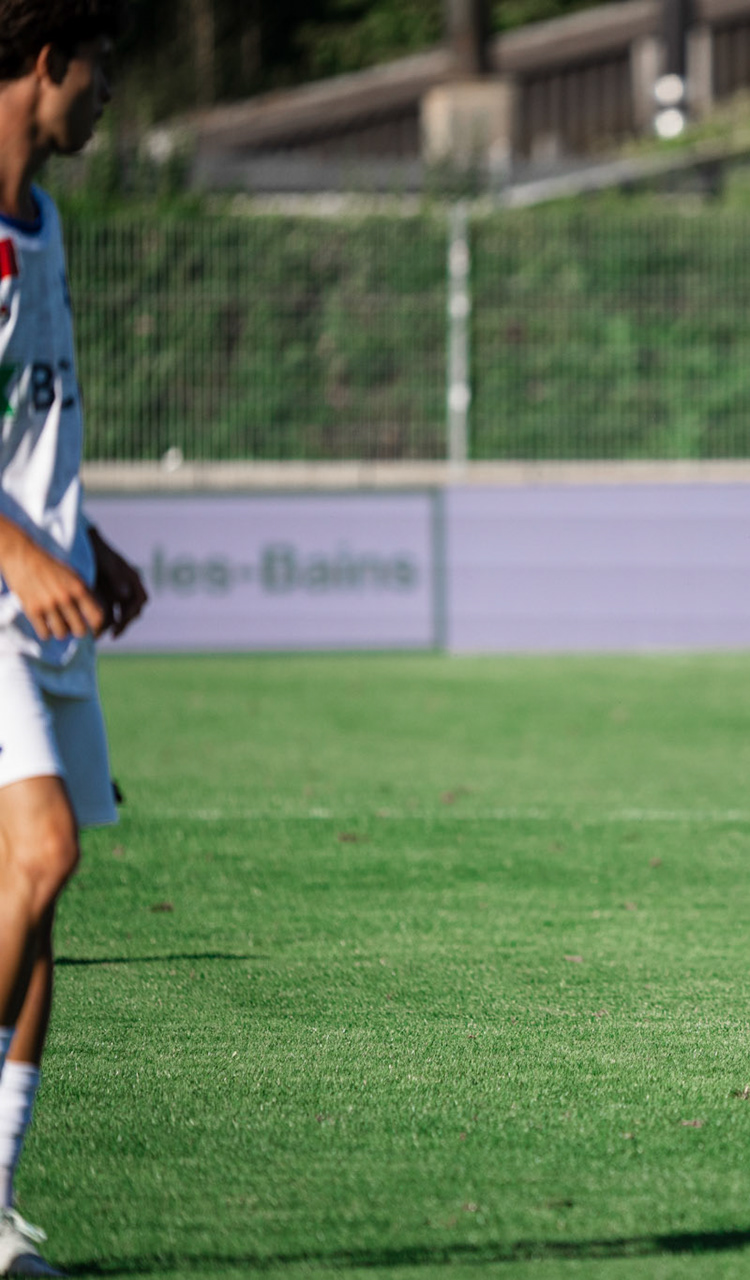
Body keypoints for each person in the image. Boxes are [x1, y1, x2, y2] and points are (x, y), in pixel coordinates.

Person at [0, 3, 143, 1271]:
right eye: (101, 70)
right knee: (42, 855)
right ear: (49, 62)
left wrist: (83, 544)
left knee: (33, 904)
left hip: (45, 591)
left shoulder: (39, 222)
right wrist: (18, 552)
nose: (107, 95)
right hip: (1, 588)